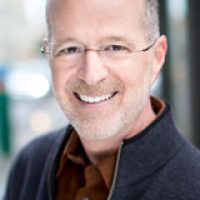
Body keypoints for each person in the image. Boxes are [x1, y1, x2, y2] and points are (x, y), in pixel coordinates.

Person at [4, 0, 200, 199]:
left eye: (115, 47)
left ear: (156, 58)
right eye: (71, 49)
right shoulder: (29, 166)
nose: (91, 75)